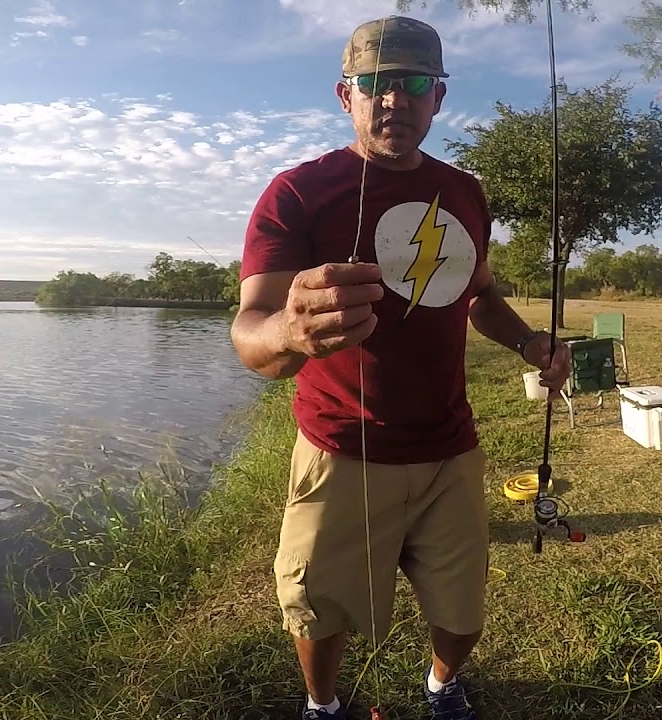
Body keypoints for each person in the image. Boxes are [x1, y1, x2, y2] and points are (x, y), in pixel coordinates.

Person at [230, 14, 572, 720]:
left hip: (451, 448)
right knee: (320, 609)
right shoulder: (298, 193)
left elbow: (480, 296)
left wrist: (529, 343)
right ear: (345, 95)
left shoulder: (466, 192)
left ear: (437, 98)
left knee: (464, 606)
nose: (395, 99)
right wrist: (290, 330)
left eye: (415, 84)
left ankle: (443, 686)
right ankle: (323, 706)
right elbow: (250, 336)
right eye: (375, 83)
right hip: (340, 447)